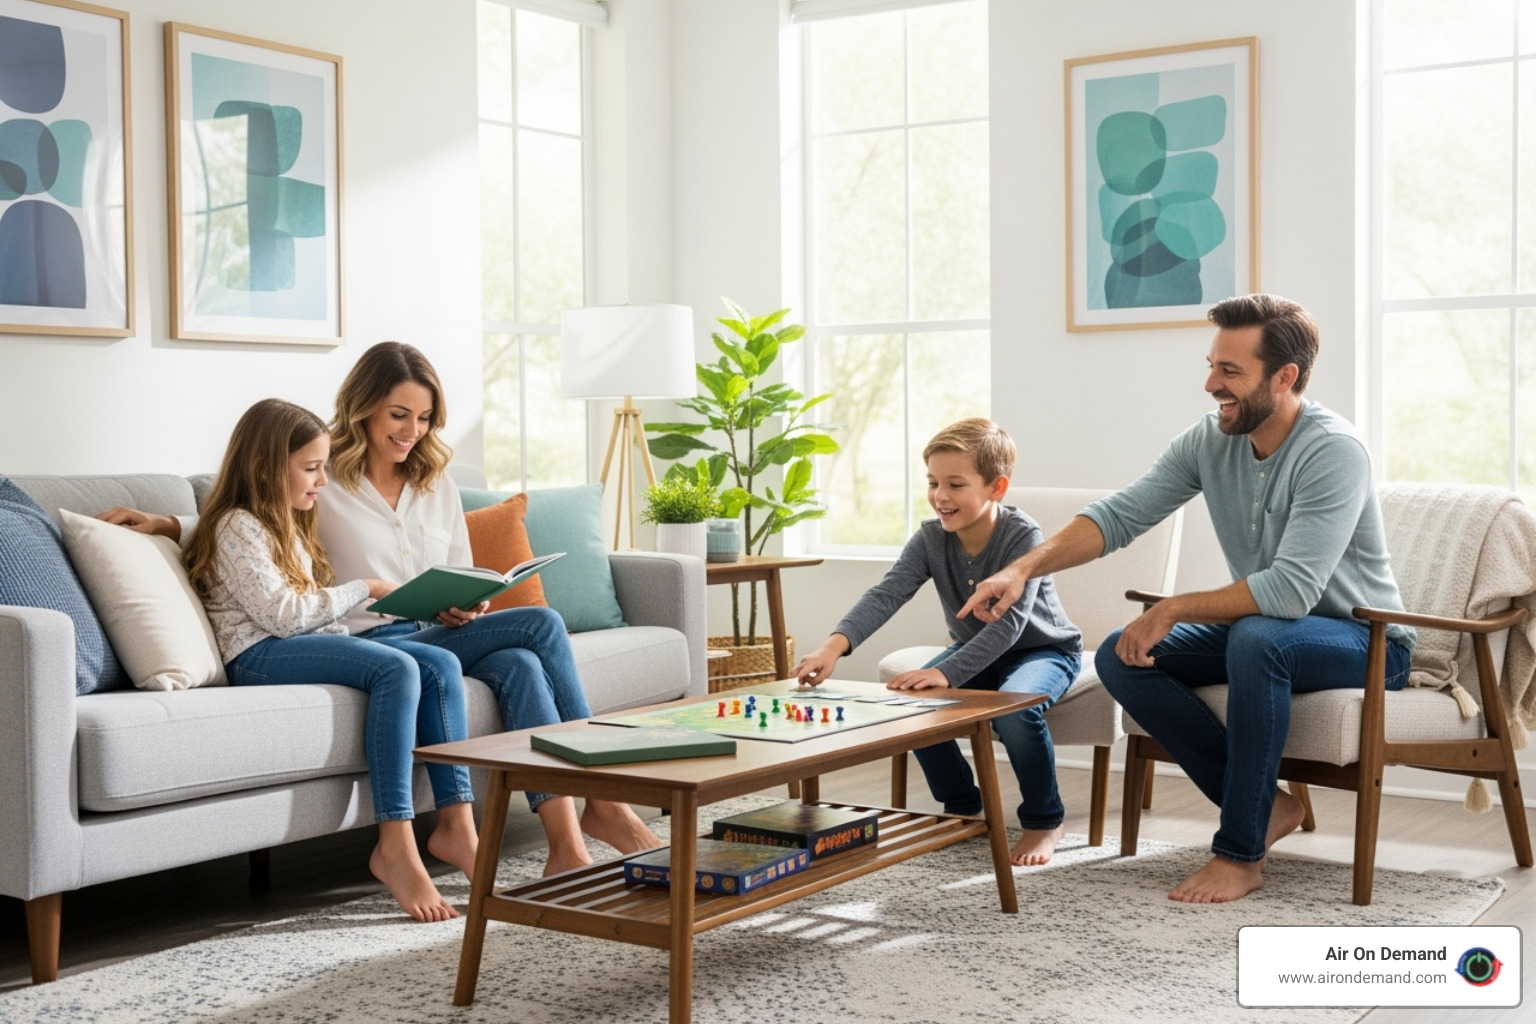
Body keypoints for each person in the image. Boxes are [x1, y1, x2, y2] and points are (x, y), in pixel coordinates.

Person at [958, 294, 1416, 904]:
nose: (1210, 384)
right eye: (1211, 365)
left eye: (1230, 371)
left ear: (1286, 377)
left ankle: (1239, 852)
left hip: (1364, 640)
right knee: (1124, 655)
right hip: (1270, 631)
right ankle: (1261, 807)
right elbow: (1120, 516)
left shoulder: (1332, 450)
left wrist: (1172, 607)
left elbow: (1289, 590)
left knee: (1257, 638)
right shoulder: (1211, 438)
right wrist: (1021, 568)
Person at [317, 341, 661, 876]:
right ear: (363, 406)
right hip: (370, 643)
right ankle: (605, 802)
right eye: (399, 415)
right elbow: (246, 513)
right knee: (542, 623)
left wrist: (466, 604)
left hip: (437, 631)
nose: (412, 431)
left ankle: (567, 849)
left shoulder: (436, 481)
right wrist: (170, 525)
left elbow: (460, 569)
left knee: (521, 665)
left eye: (425, 418)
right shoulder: (323, 480)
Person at [177, 399, 478, 922]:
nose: (322, 481)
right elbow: (284, 616)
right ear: (269, 467)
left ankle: (456, 826)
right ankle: (395, 843)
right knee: (396, 667)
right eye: (311, 469)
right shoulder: (236, 525)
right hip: (256, 656)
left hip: (288, 645)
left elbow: (304, 611)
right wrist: (366, 587)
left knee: (432, 663)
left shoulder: (285, 522)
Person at [792, 418, 1083, 866]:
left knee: (1017, 711)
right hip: (976, 652)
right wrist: (835, 645)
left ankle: (1044, 821)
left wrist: (944, 671)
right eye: (932, 482)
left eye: (954, 484)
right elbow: (888, 593)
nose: (939, 496)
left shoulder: (1023, 536)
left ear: (996, 487)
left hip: (1042, 650)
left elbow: (1008, 627)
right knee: (912, 705)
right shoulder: (930, 538)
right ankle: (963, 808)